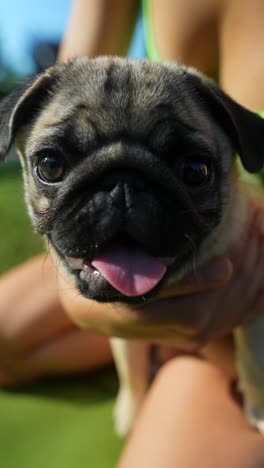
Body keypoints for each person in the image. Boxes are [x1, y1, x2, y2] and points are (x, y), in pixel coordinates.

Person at [1, 0, 264, 466]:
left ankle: (183, 365)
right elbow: (68, 73)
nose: (121, 197)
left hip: (241, 280)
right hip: (154, 254)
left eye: (192, 169)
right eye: (54, 165)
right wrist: (86, 307)